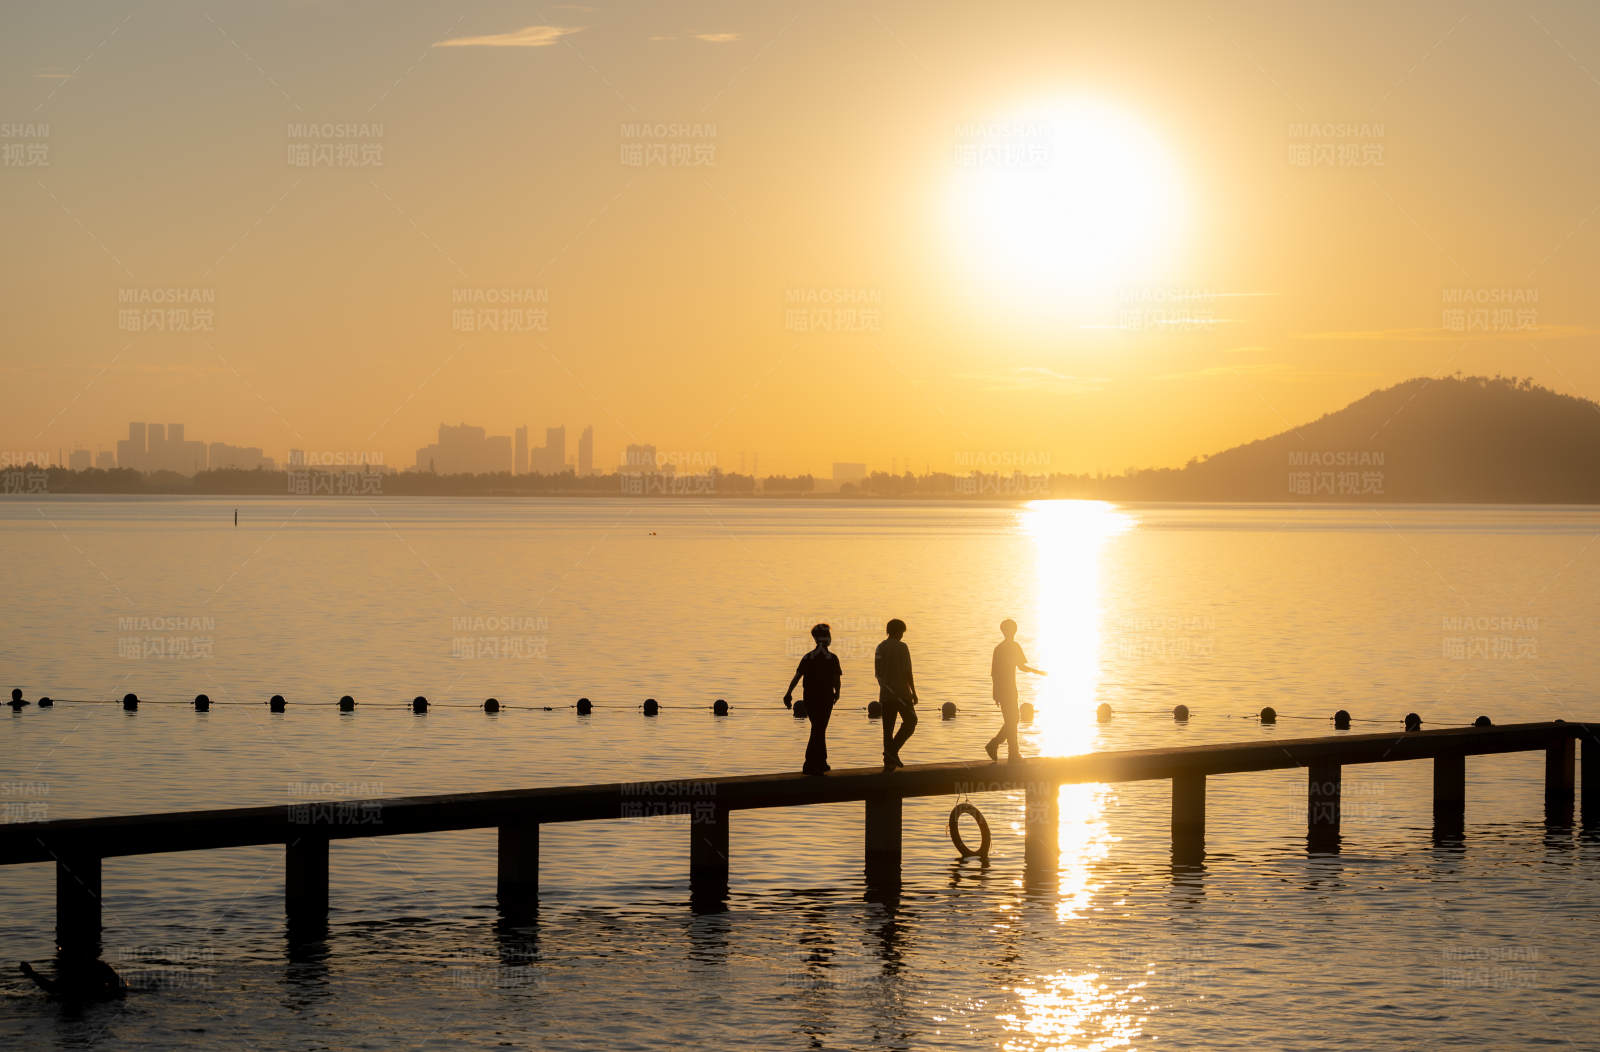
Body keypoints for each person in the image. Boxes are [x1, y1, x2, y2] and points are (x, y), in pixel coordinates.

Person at [784, 623, 842, 775]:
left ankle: (820, 762)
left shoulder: (808, 657)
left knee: (818, 728)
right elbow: (837, 680)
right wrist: (838, 692)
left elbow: (797, 677)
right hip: (825, 698)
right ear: (827, 638)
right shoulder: (832, 658)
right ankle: (810, 763)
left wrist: (788, 693)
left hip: (810, 698)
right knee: (819, 728)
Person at [986, 618, 1045, 762]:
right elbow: (994, 673)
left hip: (1010, 689)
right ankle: (1005, 749)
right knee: (1012, 720)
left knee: (1013, 720)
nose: (1012, 632)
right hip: (1005, 690)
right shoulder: (1003, 648)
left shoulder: (1009, 647)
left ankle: (1006, 750)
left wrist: (1037, 672)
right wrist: (996, 693)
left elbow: (1021, 667)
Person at [874, 618, 918, 770]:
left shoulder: (880, 647)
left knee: (888, 729)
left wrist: (884, 686)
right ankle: (892, 751)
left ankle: (889, 761)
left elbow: (877, 673)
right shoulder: (902, 647)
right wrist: (913, 691)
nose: (902, 636)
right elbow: (907, 672)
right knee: (911, 721)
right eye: (902, 632)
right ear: (898, 632)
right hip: (902, 693)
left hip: (886, 694)